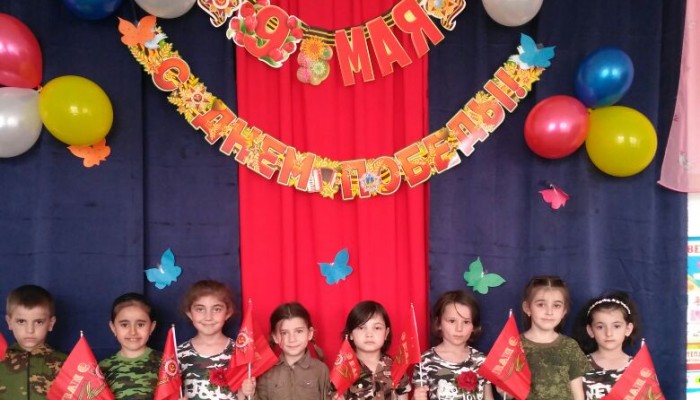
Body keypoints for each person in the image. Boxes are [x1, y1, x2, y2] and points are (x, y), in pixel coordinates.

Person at [177, 279, 254, 400]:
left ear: (228, 313)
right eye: (200, 309)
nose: (208, 317)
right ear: (189, 313)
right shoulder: (178, 353)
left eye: (216, 309)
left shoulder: (240, 351)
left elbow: (243, 396)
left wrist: (248, 393)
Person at [413, 290, 494, 400]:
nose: (459, 329)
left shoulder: (481, 360)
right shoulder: (424, 361)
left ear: (474, 327)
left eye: (466, 322)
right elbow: (418, 395)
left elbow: (488, 397)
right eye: (452, 321)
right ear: (438, 323)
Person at [520, 275, 589, 400]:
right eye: (541, 304)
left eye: (556, 305)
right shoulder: (514, 345)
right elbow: (506, 394)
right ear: (527, 308)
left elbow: (578, 393)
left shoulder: (570, 346)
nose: (549, 312)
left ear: (564, 311)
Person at [0, 284, 67, 399]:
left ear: (50, 323)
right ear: (9, 322)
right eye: (21, 321)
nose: (30, 330)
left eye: (38, 322)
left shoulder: (67, 365)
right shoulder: (1, 361)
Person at [253, 302, 331, 400]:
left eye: (299, 331)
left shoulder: (321, 370)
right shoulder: (267, 372)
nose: (292, 339)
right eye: (284, 333)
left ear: (310, 333)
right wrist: (250, 394)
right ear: (275, 337)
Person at [336, 300, 410, 400]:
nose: (369, 334)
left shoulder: (397, 368)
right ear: (350, 334)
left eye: (377, 328)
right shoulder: (343, 370)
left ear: (386, 333)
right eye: (361, 328)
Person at [574, 292, 640, 400]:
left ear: (628, 329)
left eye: (616, 326)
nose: (609, 333)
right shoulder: (578, 367)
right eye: (600, 327)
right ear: (590, 330)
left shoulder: (640, 369)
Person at [99, 292, 162, 399]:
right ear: (113, 327)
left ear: (151, 327)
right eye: (124, 325)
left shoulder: (166, 364)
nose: (133, 332)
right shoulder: (101, 369)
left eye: (140, 325)